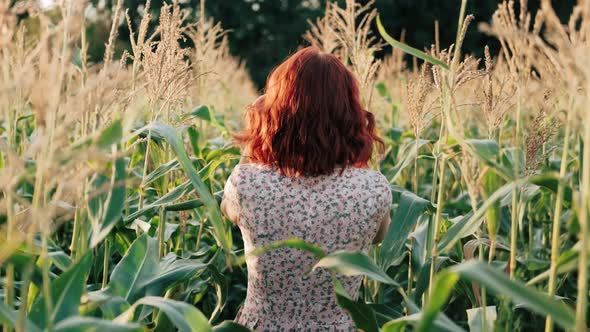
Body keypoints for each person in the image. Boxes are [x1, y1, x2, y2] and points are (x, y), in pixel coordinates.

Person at [220, 46, 392, 331]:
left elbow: (227, 211)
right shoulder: (373, 188)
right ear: (350, 114)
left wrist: (256, 137)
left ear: (275, 111)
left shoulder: (246, 183)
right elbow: (379, 237)